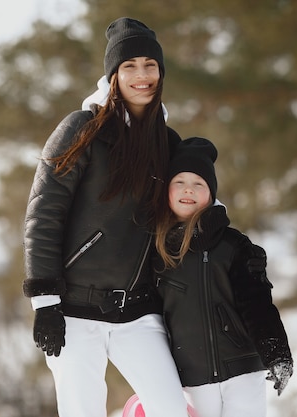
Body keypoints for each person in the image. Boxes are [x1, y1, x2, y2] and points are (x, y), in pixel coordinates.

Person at [22, 17, 188, 417]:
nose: (142, 75)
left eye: (150, 65)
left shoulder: (168, 142)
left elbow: (193, 199)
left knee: (171, 409)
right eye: (129, 66)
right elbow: (43, 215)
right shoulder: (81, 129)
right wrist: (46, 302)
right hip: (75, 310)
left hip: (137, 311)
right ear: (113, 75)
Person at [151, 136, 294, 417]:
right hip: (191, 378)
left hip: (242, 368)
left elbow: (258, 304)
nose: (188, 190)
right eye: (179, 182)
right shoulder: (156, 252)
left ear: (210, 194)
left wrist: (276, 353)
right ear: (166, 190)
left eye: (198, 184)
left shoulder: (233, 245)